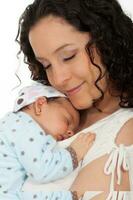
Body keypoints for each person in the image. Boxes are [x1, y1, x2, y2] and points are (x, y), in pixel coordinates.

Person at [15, 0, 133, 199]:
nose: (59, 79)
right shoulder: (49, 111)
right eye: (46, 65)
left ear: (107, 42)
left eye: (68, 56)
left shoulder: (124, 136)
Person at [0, 82, 95, 200]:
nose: (71, 132)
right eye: (67, 120)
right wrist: (73, 154)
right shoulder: (22, 125)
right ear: (40, 105)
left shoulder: (15, 125)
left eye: (74, 130)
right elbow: (42, 169)